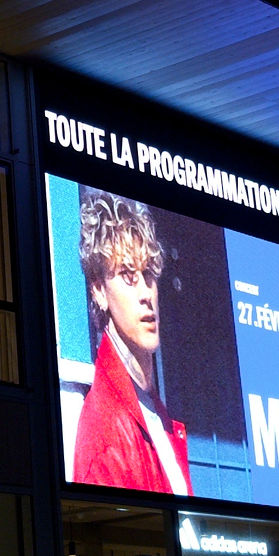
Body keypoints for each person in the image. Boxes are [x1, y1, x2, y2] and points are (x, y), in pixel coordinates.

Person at [70, 192, 190, 494]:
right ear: (99, 291)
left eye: (148, 273)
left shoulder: (155, 412)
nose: (146, 293)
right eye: (127, 274)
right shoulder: (106, 436)